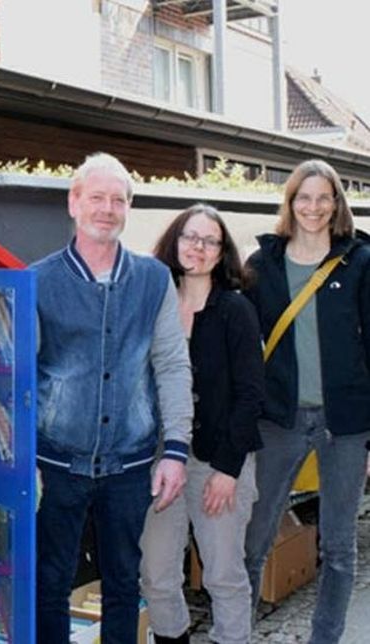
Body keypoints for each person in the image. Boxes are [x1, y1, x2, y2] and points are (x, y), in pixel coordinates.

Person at [32, 152, 193, 644]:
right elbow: (15, 379)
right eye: (97, 197)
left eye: (118, 200)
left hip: (130, 463)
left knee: (124, 582)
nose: (107, 209)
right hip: (55, 464)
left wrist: (176, 451)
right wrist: (22, 458)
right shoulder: (36, 281)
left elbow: (172, 365)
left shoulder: (153, 279)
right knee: (49, 583)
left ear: (128, 208)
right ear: (74, 203)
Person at [243, 159, 370, 644]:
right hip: (280, 418)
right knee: (253, 540)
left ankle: (325, 638)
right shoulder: (263, 265)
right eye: (304, 197)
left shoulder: (360, 262)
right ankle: (237, 631)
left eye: (323, 198)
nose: (313, 207)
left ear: (336, 203)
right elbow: (237, 337)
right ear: (290, 202)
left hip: (346, 423)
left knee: (338, 547)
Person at [140, 205, 264, 644]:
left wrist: (228, 470)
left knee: (224, 576)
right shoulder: (153, 304)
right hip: (160, 458)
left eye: (210, 241)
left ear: (221, 252)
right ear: (174, 241)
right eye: (191, 237)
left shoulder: (235, 309)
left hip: (220, 459)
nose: (199, 247)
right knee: (155, 574)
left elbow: (251, 395)